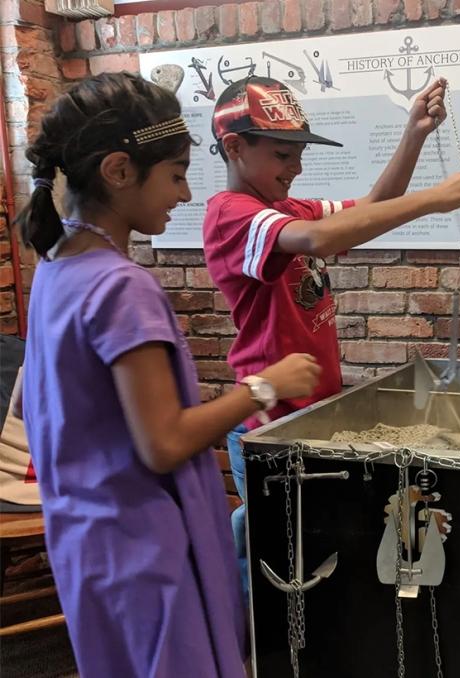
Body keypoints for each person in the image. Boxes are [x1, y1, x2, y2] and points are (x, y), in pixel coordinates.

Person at [14, 72, 320, 678]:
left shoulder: (54, 268)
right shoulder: (120, 286)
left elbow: (36, 400)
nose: (183, 196)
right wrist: (267, 386)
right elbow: (165, 443)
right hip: (143, 550)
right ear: (120, 170)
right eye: (176, 175)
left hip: (86, 539)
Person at [202, 74, 460, 595]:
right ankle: (242, 652)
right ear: (235, 147)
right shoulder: (230, 215)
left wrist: (414, 134)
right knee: (277, 567)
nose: (297, 167)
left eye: (298, 154)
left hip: (309, 417)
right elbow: (320, 237)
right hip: (270, 424)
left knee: (305, 553)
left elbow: (374, 205)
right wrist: (435, 199)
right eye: (284, 154)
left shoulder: (286, 210)